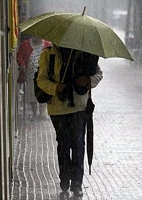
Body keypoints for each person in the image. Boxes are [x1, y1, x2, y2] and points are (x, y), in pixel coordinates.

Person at [37, 45, 103, 197]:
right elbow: (41, 79)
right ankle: (65, 180)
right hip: (57, 109)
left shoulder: (83, 53)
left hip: (79, 107)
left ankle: (77, 184)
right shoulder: (48, 55)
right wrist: (55, 87)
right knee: (64, 144)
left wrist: (88, 80)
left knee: (78, 144)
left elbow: (98, 73)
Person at [17, 36, 51, 120]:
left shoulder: (47, 45)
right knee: (32, 94)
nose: (38, 38)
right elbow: (19, 55)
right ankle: (35, 113)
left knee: (43, 92)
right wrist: (22, 65)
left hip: (43, 75)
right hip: (30, 75)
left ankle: (42, 113)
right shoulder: (25, 44)